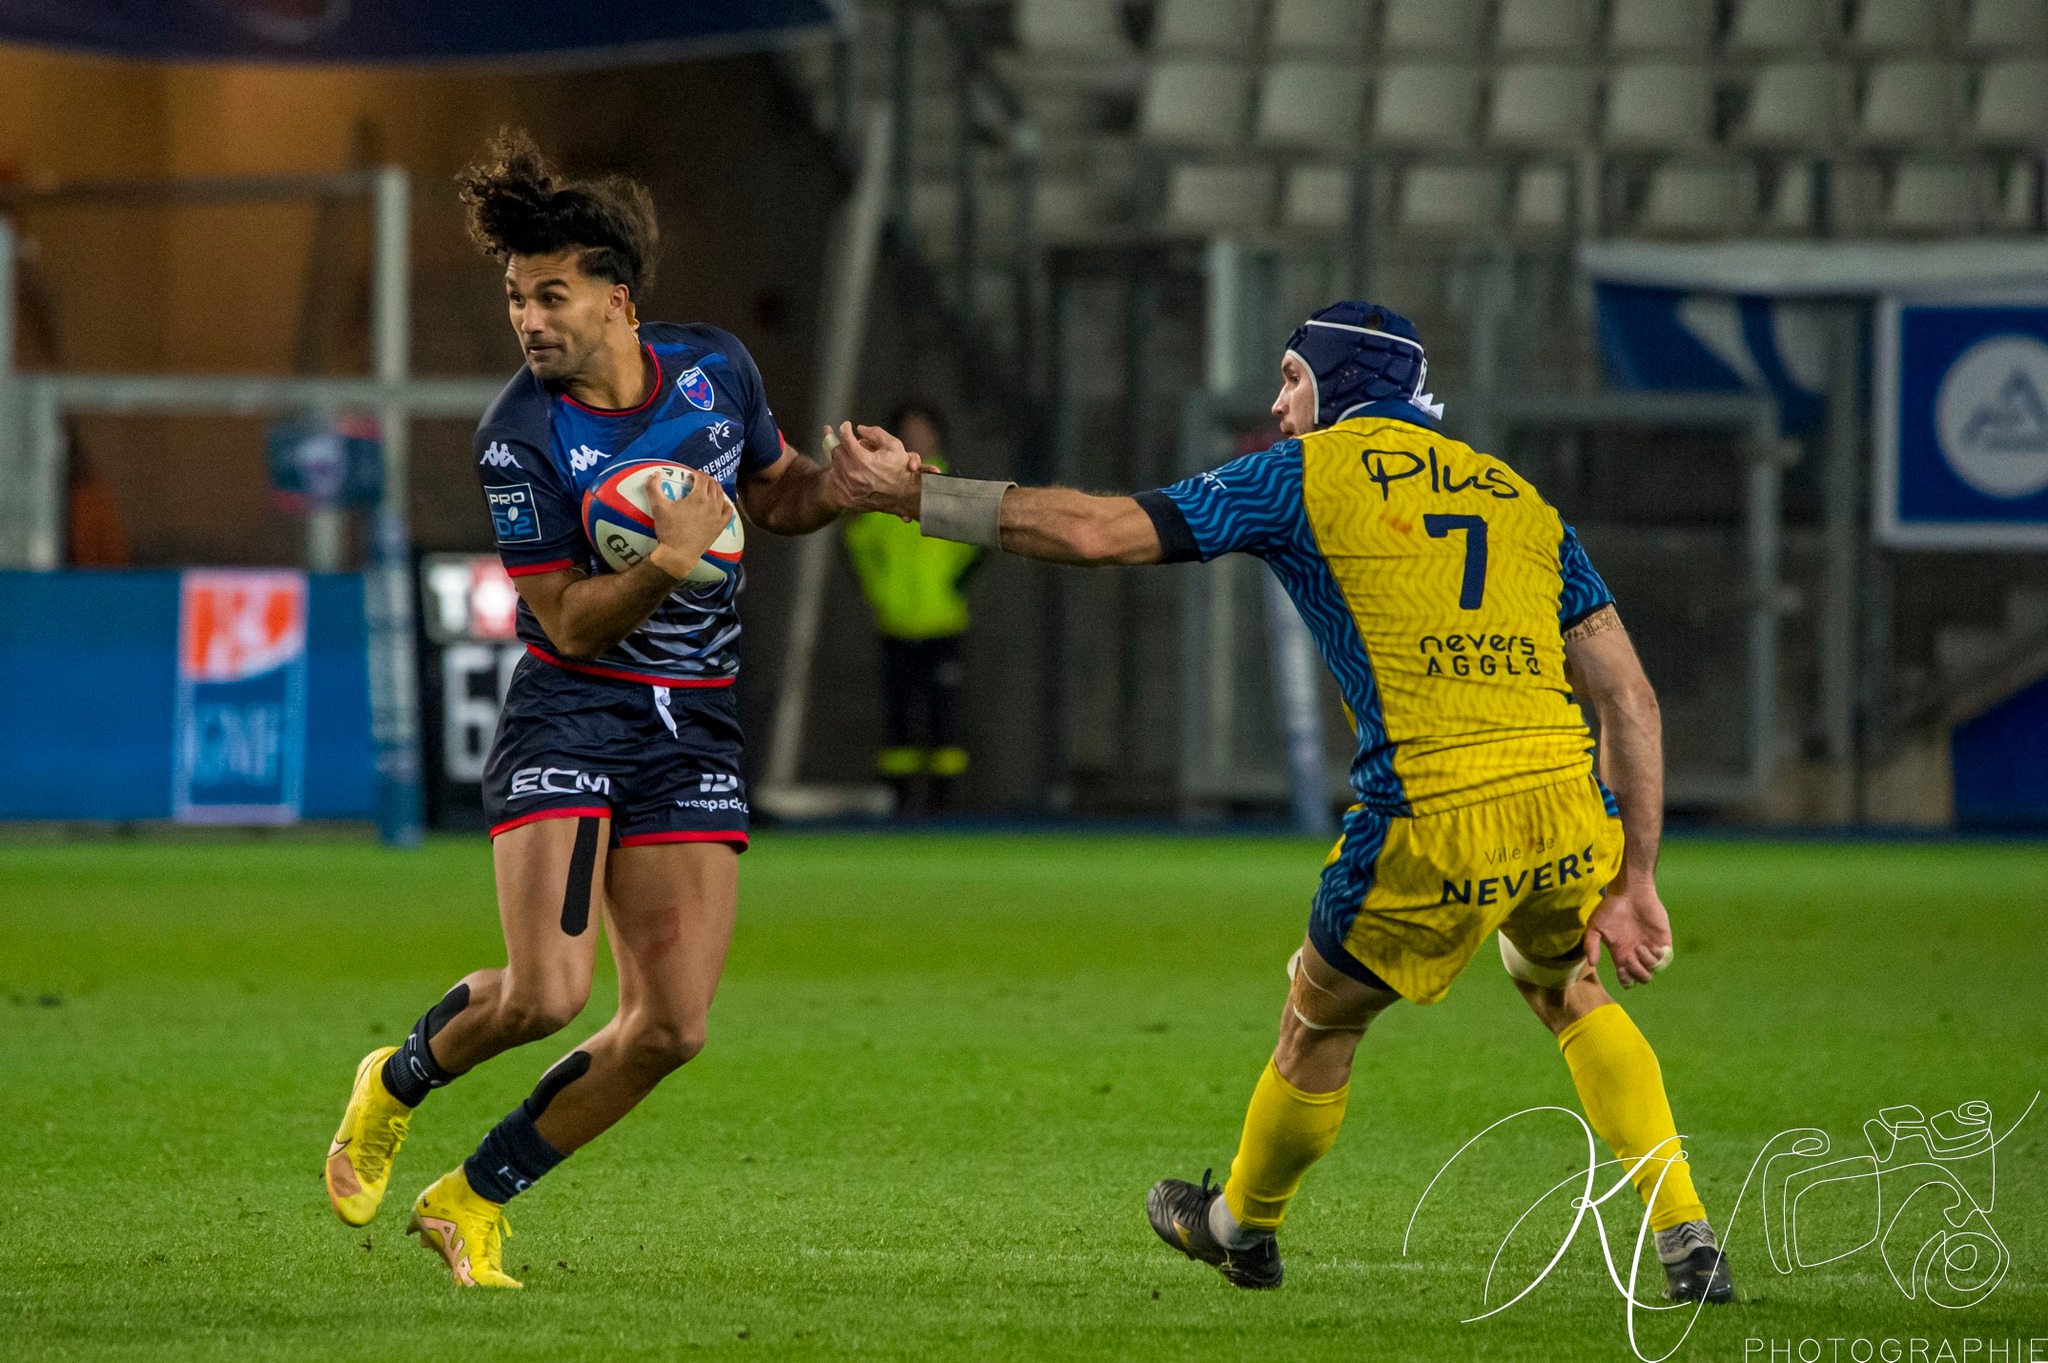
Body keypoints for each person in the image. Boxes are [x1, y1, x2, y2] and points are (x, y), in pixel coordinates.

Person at [835, 301, 1736, 1303]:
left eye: (1288, 378)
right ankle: (1685, 1230)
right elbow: (1628, 696)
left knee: (1316, 1021)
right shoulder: (1517, 498)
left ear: (1337, 383)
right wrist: (1638, 876)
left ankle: (1239, 1229)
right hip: (1565, 806)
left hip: (1429, 817)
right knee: (1562, 985)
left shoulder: (1297, 476)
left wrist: (920, 499)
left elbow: (1095, 532)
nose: (1273, 403)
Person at [322, 130, 905, 1289]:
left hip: (692, 724)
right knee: (546, 991)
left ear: (615, 299)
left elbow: (775, 492)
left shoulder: (715, 371)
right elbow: (567, 622)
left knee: (673, 1026)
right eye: (512, 298)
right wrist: (664, 561)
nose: (527, 320)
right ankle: (394, 1081)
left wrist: (840, 487)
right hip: (571, 713)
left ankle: (471, 1198)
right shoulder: (518, 436)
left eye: (549, 294)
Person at [843, 401, 980, 815]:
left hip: (943, 621)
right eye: (910, 430)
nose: (918, 437)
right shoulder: (882, 491)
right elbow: (860, 546)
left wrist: (956, 585)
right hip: (895, 622)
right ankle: (899, 802)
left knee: (943, 711)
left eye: (924, 430)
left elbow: (980, 545)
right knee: (898, 712)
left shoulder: (953, 484)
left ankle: (945, 803)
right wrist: (878, 591)